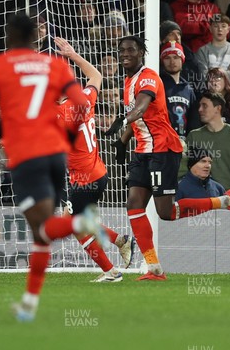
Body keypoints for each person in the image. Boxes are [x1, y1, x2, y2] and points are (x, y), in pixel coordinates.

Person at [0, 13, 106, 322]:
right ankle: (30, 303)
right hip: (56, 158)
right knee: (41, 236)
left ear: (9, 37)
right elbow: (82, 101)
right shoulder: (56, 66)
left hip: (28, 155)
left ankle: (81, 223)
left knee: (43, 228)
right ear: (35, 38)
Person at [105, 35, 230, 281]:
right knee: (134, 205)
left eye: (131, 49)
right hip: (143, 150)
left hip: (163, 148)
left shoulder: (149, 76)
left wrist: (122, 120)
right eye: (121, 50)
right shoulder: (128, 81)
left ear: (141, 53)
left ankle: (225, 201)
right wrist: (122, 141)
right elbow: (141, 117)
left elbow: (141, 107)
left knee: (166, 212)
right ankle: (154, 269)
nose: (125, 54)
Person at [54, 37, 135, 283]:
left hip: (85, 177)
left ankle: (111, 271)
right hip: (97, 172)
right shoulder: (83, 99)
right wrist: (73, 55)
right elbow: (97, 77)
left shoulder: (59, 115)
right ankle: (121, 241)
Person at [187, 91, 230, 190]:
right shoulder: (193, 136)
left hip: (227, 196)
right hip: (199, 195)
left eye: (205, 106)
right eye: (200, 106)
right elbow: (187, 167)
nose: (200, 109)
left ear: (218, 108)